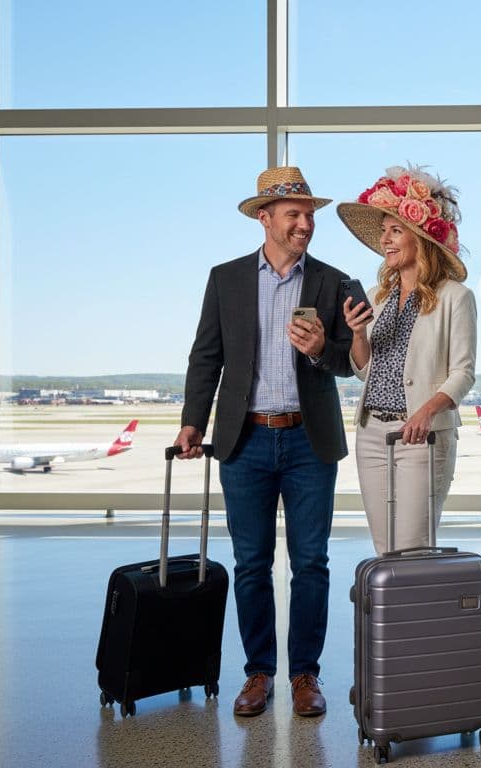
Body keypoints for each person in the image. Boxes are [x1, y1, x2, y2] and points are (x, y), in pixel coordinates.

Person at [173, 167, 354, 717]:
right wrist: (192, 422)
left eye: (311, 215)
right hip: (244, 441)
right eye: (294, 215)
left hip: (309, 443)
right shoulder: (225, 279)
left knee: (311, 564)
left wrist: (323, 348)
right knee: (250, 564)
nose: (306, 224)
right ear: (264, 218)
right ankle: (258, 673)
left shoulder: (337, 282)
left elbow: (352, 363)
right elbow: (206, 356)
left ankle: (304, 675)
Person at [336, 165, 476, 555]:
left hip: (422, 437)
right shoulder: (379, 297)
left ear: (419, 238)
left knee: (412, 550)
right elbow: (365, 370)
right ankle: (390, 617)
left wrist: (426, 411)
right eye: (383, 232)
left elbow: (463, 373)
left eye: (394, 230)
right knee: (385, 552)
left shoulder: (455, 297)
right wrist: (358, 333)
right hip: (371, 435)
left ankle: (414, 616)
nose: (385, 240)